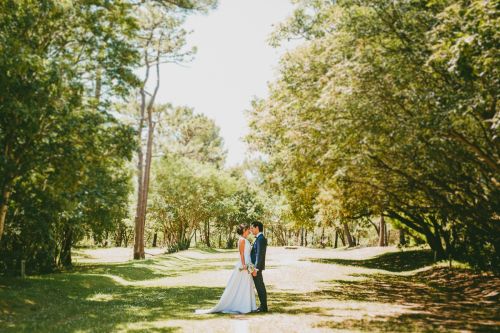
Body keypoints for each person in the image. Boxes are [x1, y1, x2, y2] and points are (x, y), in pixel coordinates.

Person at [195, 223, 257, 314]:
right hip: (244, 264)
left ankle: (247, 305)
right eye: (248, 229)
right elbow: (241, 254)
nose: (249, 231)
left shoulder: (245, 239)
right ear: (244, 230)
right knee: (241, 284)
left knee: (247, 284)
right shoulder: (242, 240)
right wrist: (244, 265)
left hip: (248, 263)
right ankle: (240, 305)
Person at [250, 221, 268, 312]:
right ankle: (263, 306)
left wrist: (256, 268)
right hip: (255, 267)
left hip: (257, 268)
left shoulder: (261, 239)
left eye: (252, 228)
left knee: (260, 286)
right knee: (259, 286)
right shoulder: (258, 238)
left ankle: (264, 307)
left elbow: (260, 254)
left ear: (257, 228)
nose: (251, 230)